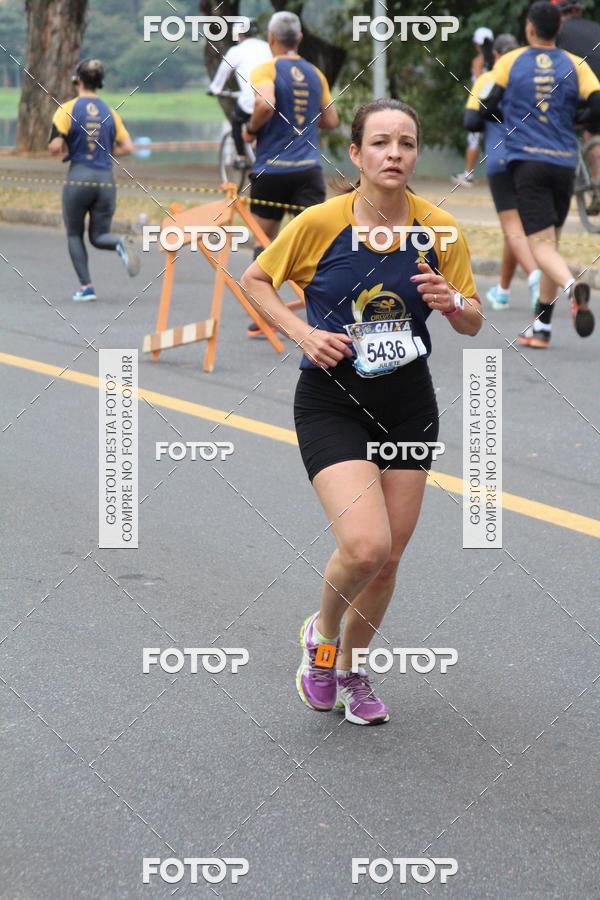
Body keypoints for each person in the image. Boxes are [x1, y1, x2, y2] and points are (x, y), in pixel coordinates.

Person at [241, 99, 482, 725]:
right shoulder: (320, 222)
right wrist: (302, 334)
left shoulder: (440, 230)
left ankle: (352, 668)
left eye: (405, 143)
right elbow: (256, 281)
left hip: (408, 405)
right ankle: (321, 641)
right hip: (333, 402)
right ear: (355, 154)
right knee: (365, 543)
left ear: (415, 154)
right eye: (380, 142)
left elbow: (475, 321)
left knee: (390, 556)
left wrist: (452, 300)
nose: (394, 154)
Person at [481, 1, 600, 348]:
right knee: (552, 243)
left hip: (528, 164)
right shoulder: (574, 64)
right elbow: (597, 103)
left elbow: (485, 107)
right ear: (558, 30)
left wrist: (511, 117)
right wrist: (577, 121)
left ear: (529, 29)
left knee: (542, 246)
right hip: (564, 164)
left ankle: (572, 288)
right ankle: (542, 329)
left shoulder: (510, 60)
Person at [242, 10, 339, 337]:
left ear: (271, 39)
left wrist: (251, 129)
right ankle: (324, 314)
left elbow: (266, 104)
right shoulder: (315, 73)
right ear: (298, 39)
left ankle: (264, 317)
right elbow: (332, 120)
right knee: (314, 244)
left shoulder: (266, 69)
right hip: (308, 171)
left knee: (265, 243)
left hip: (272, 171)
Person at [48, 59, 139, 302]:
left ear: (77, 80)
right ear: (99, 83)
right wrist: (106, 150)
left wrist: (66, 145)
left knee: (75, 234)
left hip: (79, 177)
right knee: (99, 236)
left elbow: (54, 147)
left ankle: (86, 287)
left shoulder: (66, 109)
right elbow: (128, 147)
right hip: (106, 180)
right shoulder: (111, 112)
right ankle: (119, 243)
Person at [464, 33, 541, 310]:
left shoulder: (489, 79)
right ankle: (504, 290)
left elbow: (470, 121)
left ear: (495, 55)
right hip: (531, 159)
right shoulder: (530, 82)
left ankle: (535, 277)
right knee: (516, 227)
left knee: (511, 225)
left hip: (500, 160)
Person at [207, 19, 271, 168]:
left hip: (251, 101)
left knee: (236, 120)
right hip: (273, 100)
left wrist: (215, 89)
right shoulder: (268, 47)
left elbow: (223, 73)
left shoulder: (236, 51)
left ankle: (241, 157)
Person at [553, 0, 600, 181]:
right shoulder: (596, 27)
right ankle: (597, 181)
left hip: (581, 89)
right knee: (593, 129)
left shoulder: (557, 32)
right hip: (596, 93)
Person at [453, 26, 494, 187]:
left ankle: (467, 175)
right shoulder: (497, 59)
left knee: (473, 140)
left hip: (478, 105)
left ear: (477, 44)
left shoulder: (478, 61)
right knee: (495, 138)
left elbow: (478, 82)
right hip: (495, 103)